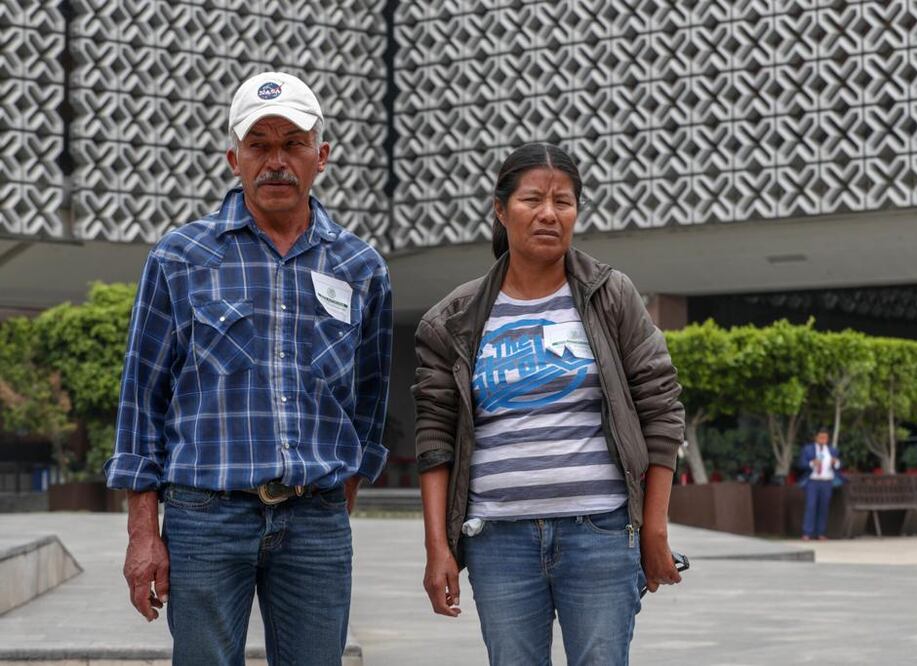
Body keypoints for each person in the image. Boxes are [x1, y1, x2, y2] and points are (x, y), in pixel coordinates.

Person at [105, 71, 392, 665]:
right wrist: (143, 533)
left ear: (323, 156)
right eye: (259, 144)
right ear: (233, 157)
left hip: (315, 520)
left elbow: (369, 403)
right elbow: (142, 403)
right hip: (206, 516)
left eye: (294, 143)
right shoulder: (182, 258)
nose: (277, 160)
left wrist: (338, 502)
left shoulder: (361, 267)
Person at [412, 143, 685, 665]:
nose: (548, 214)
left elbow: (661, 408)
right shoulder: (453, 320)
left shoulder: (611, 296)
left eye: (563, 202)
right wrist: (437, 547)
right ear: (500, 209)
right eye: (532, 199)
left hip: (601, 534)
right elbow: (435, 438)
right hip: (498, 540)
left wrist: (653, 529)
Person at [799, 427, 842, 541]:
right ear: (816, 438)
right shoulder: (808, 449)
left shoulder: (832, 450)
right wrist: (812, 463)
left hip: (826, 481)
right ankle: (807, 533)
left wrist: (836, 463)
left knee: (824, 507)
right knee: (811, 506)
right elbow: (801, 464)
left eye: (825, 438)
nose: (823, 440)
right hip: (813, 481)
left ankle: (821, 533)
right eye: (821, 437)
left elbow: (838, 466)